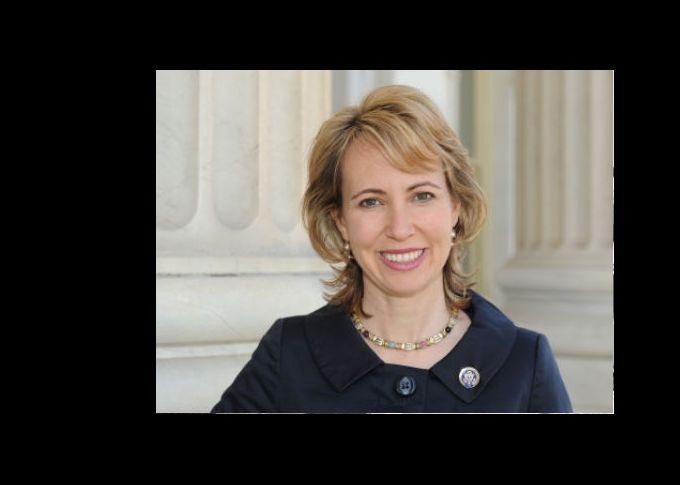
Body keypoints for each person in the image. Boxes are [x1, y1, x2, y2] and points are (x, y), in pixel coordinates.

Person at [212, 84, 572, 413]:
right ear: (341, 220)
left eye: (422, 196)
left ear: (455, 206)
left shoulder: (523, 365)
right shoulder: (288, 355)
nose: (399, 229)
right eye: (371, 202)